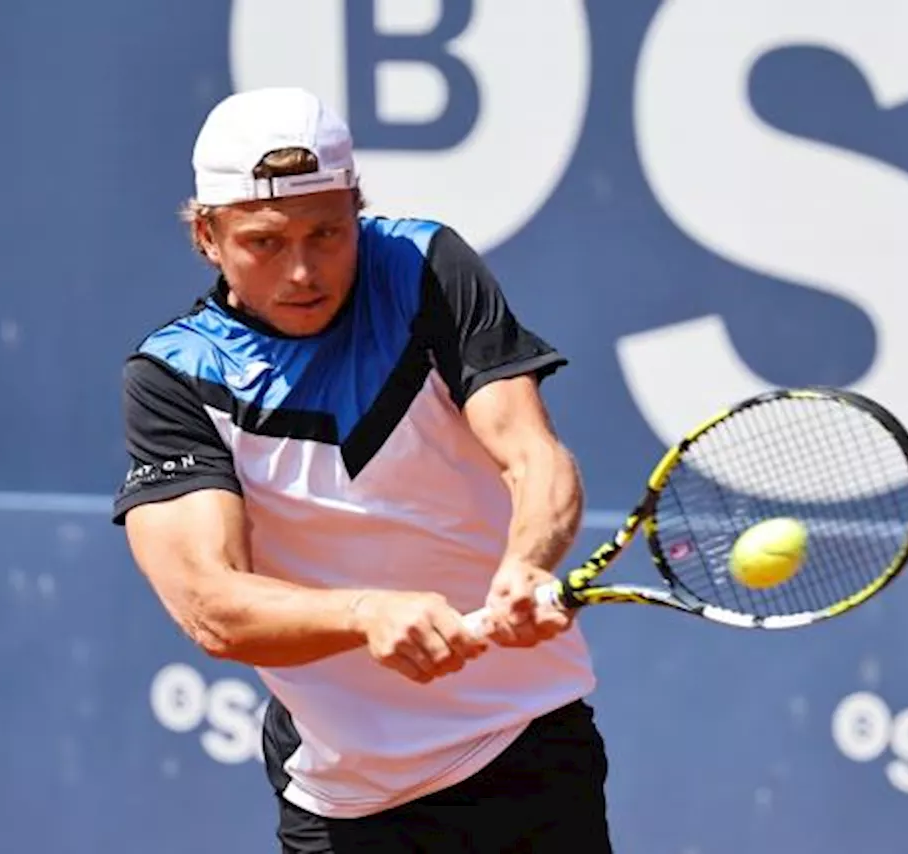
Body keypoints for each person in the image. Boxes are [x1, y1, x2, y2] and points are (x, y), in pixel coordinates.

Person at [112, 86, 613, 853]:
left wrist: (525, 563)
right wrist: (364, 613)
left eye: (327, 233)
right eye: (265, 243)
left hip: (528, 750)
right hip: (346, 805)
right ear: (208, 235)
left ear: (357, 206)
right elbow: (209, 604)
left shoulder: (424, 269)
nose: (304, 270)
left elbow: (531, 452)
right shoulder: (176, 376)